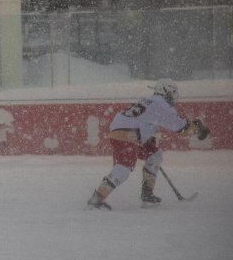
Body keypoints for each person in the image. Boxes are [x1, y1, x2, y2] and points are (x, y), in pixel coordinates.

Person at [86, 78, 210, 210]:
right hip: (129, 134)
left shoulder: (148, 100)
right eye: (173, 93)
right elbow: (182, 128)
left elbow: (141, 119)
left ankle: (147, 195)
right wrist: (197, 127)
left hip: (125, 132)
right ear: (167, 92)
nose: (174, 97)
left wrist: (146, 134)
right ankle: (96, 200)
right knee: (123, 168)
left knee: (154, 155)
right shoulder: (162, 105)